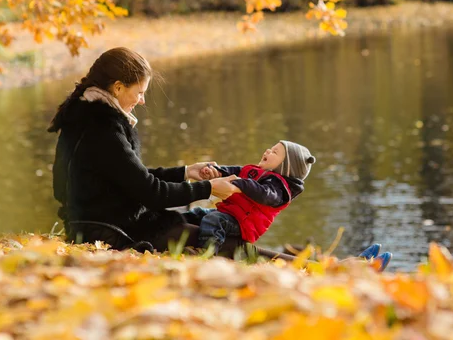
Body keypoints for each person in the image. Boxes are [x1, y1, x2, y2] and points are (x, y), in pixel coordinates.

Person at [49, 47, 240, 253]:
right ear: (118, 88)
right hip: (112, 232)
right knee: (234, 246)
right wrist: (209, 188)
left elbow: (131, 178)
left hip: (101, 224)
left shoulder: (83, 115)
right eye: (139, 92)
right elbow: (151, 193)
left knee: (213, 225)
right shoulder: (102, 128)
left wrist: (186, 172)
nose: (142, 101)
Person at [184, 141, 315, 253]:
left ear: (285, 167)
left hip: (244, 224)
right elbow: (234, 171)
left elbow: (264, 195)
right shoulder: (255, 171)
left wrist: (239, 183)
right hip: (229, 213)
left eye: (274, 152)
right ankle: (173, 226)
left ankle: (206, 254)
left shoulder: (279, 189)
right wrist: (217, 171)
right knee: (198, 213)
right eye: (271, 148)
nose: (268, 151)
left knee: (214, 220)